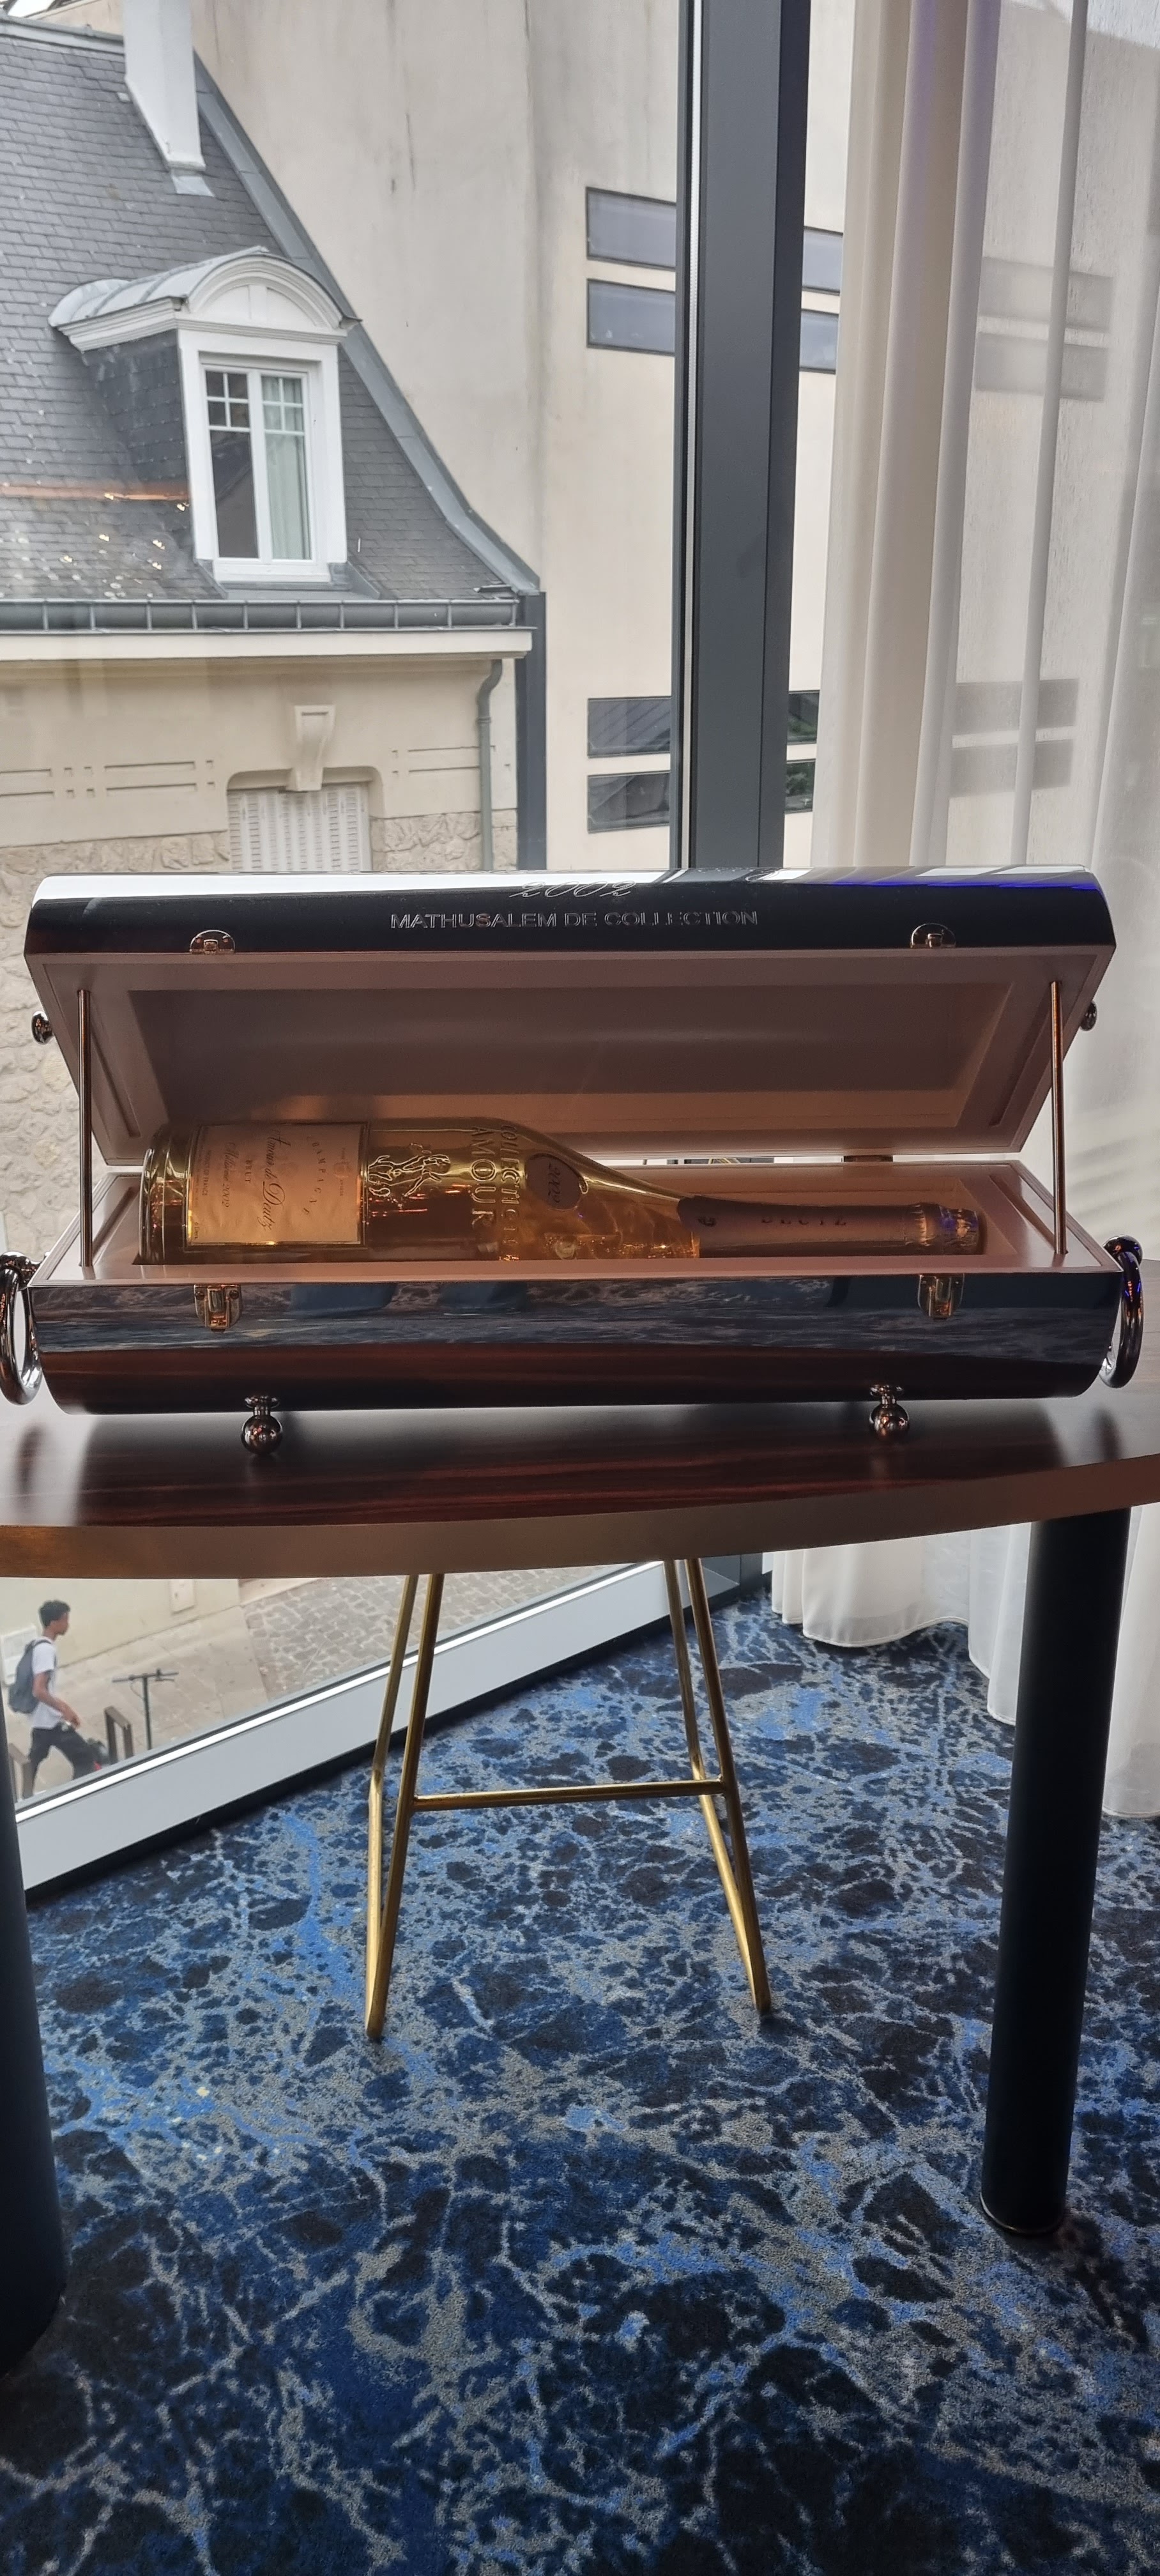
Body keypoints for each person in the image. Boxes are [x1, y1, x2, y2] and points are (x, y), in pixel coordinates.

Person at [26, 1602, 102, 1786]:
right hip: (50, 1721)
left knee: (33, 1760)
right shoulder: (46, 1650)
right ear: (53, 1623)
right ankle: (79, 1792)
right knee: (84, 1758)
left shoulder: (36, 1644)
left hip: (40, 1720)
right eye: (65, 1620)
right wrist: (63, 1709)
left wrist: (64, 1708)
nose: (68, 1624)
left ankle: (24, 1796)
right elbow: (39, 1689)